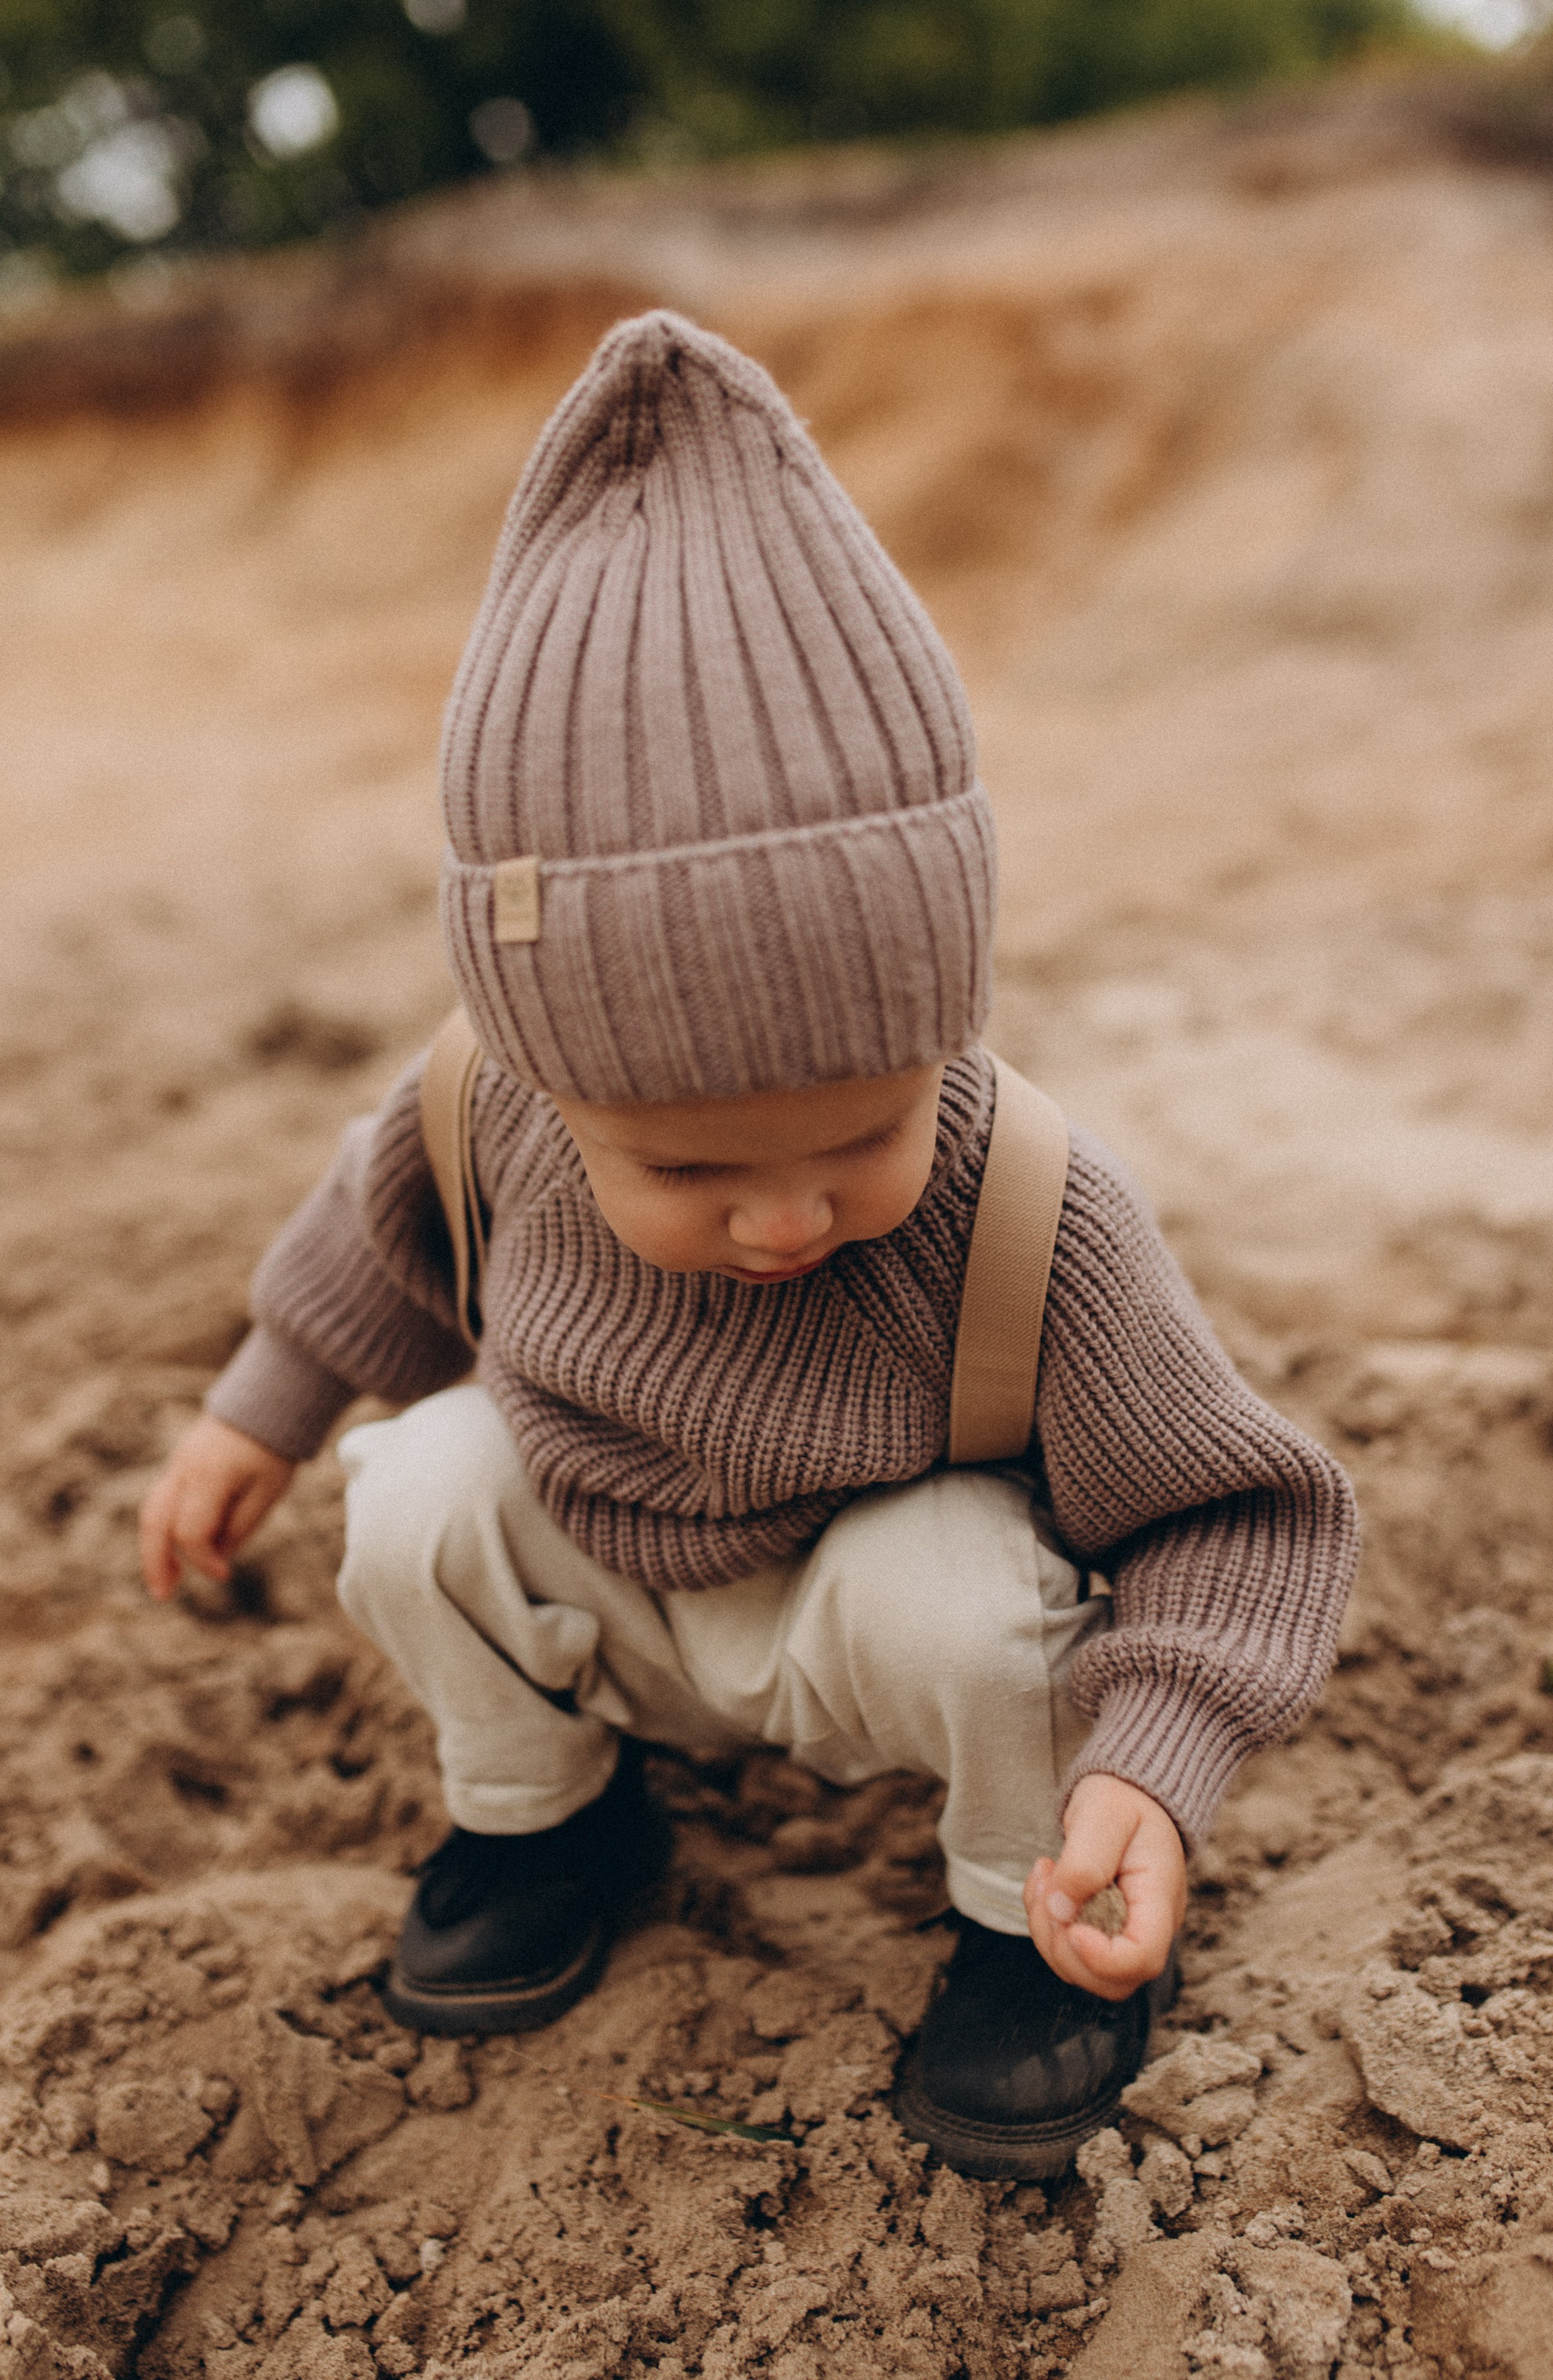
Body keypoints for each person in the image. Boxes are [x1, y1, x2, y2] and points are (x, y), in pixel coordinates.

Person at [138, 312, 1357, 2180]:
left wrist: (1152, 1769)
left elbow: (1241, 1514)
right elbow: (368, 1247)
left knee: (966, 1593)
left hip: (877, 1630)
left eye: (864, 1133)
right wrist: (259, 1413)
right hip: (608, 1582)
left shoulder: (1030, 1208)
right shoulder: (494, 1105)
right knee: (415, 1493)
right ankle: (552, 1822)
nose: (788, 1216)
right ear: (553, 1074)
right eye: (691, 1166)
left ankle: (1023, 1927)